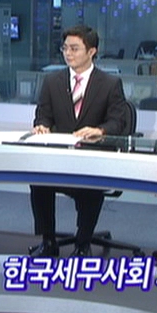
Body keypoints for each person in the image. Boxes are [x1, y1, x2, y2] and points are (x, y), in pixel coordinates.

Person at [29, 25, 128, 258]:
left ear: (91, 51)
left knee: (91, 184)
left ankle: (83, 243)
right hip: (59, 158)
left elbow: (118, 122)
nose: (68, 53)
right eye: (65, 48)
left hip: (92, 158)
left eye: (74, 49)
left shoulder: (110, 84)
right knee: (38, 180)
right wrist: (42, 125)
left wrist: (100, 130)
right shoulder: (52, 81)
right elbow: (43, 115)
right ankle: (48, 241)